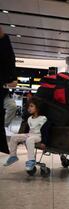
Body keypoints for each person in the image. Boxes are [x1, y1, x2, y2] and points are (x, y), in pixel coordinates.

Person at [3, 98, 47, 171]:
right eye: (28, 107)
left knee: (30, 139)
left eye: (31, 106)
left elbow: (45, 130)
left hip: (38, 136)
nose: (29, 108)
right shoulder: (29, 118)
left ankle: (31, 160)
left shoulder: (42, 118)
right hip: (30, 134)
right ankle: (13, 156)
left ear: (37, 107)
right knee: (14, 137)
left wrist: (44, 142)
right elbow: (28, 130)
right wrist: (21, 137)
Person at [0, 26, 17, 154]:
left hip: (3, 87)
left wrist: (13, 78)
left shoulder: (5, 41)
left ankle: (4, 126)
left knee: (12, 106)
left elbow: (10, 59)